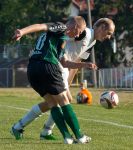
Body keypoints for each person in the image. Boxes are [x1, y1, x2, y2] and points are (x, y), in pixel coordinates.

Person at [11, 16, 97, 144]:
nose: (78, 35)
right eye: (79, 31)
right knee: (65, 101)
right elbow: (41, 25)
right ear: (75, 27)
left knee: (53, 103)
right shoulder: (61, 27)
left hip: (33, 70)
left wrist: (85, 65)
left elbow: (64, 62)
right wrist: (22, 32)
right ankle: (80, 136)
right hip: (46, 66)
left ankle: (67, 137)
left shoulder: (61, 39)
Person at [39, 18, 115, 140]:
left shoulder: (93, 42)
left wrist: (68, 81)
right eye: (109, 33)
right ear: (101, 27)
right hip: (58, 65)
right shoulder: (85, 33)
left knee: (55, 101)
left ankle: (26, 127)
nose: (109, 37)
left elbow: (78, 60)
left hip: (64, 69)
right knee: (63, 100)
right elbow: (65, 35)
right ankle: (51, 132)